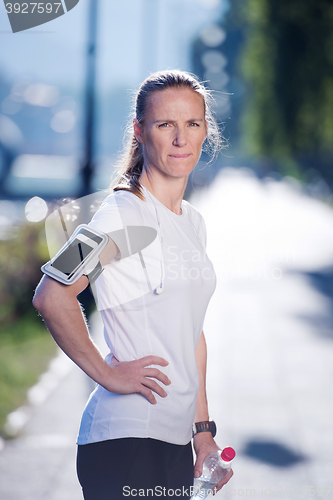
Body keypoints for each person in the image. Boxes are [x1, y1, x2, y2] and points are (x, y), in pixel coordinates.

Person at [33, 70, 233, 499]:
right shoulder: (120, 213)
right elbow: (52, 294)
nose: (180, 138)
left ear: (205, 132)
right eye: (165, 125)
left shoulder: (192, 222)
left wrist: (202, 433)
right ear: (141, 132)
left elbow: (190, 334)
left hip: (174, 443)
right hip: (126, 442)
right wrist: (107, 374)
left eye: (192, 124)